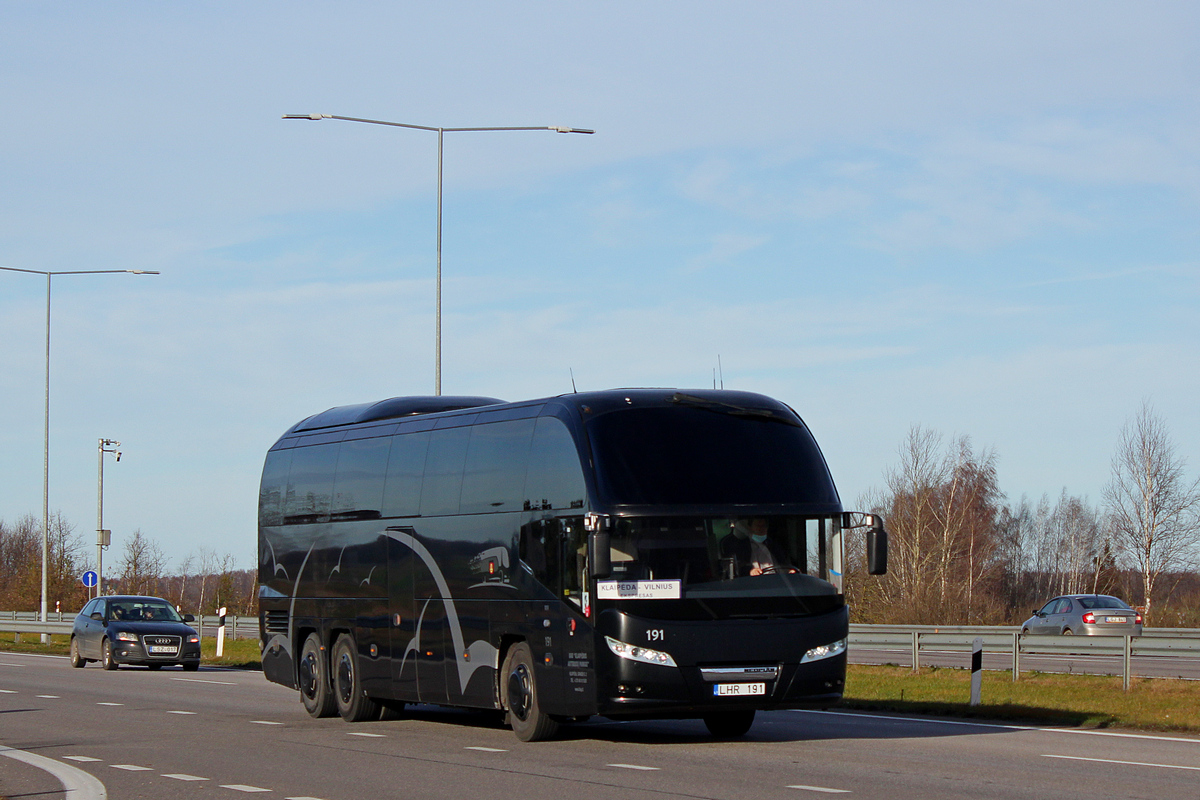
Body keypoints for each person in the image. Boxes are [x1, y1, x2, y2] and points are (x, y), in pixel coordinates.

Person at [719, 518, 796, 577]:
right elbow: (737, 567)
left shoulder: (774, 546)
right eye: (757, 526)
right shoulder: (740, 546)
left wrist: (789, 571)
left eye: (763, 526)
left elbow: (783, 563)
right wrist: (750, 571)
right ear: (750, 527)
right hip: (752, 585)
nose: (761, 528)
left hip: (775, 582)